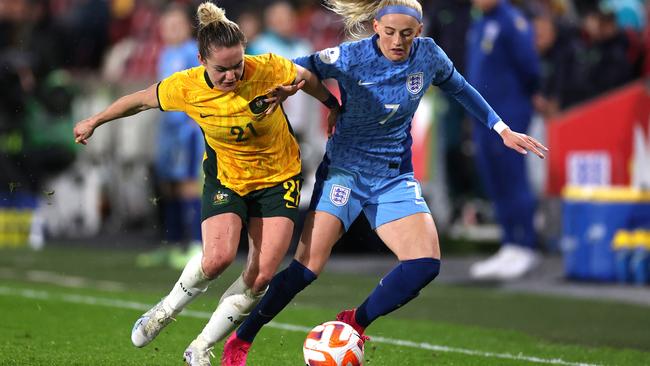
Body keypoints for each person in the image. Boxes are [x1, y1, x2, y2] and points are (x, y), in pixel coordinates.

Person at [220, 0, 548, 364]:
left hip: (393, 177)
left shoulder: (429, 56)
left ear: (418, 32)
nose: (397, 41)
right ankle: (241, 339)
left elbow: (461, 87)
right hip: (344, 173)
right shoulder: (349, 56)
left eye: (406, 34)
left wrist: (500, 128)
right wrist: (302, 93)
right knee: (306, 269)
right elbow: (300, 67)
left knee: (425, 264)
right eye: (389, 32)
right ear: (375, 26)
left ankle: (355, 322)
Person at [72, 2, 339, 365]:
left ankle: (200, 346)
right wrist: (95, 120)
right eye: (222, 69)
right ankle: (164, 311)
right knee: (217, 259)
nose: (232, 76)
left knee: (261, 276)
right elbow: (137, 101)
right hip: (227, 177)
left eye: (237, 65)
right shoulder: (186, 87)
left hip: (279, 177)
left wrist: (331, 104)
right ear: (201, 60)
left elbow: (304, 77)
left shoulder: (268, 68)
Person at [466, 0, 542, 280]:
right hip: (485, 117)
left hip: (510, 113)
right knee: (495, 180)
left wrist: (525, 98)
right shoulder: (480, 22)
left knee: (513, 177)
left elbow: (530, 68)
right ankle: (510, 243)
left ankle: (526, 245)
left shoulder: (512, 21)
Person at [136, 3, 204, 270]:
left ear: (187, 27)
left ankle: (196, 245)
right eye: (167, 24)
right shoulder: (165, 53)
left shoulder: (192, 52)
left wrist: (192, 121)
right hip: (167, 128)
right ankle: (173, 243)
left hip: (186, 128)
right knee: (168, 184)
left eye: (176, 24)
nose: (170, 29)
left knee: (187, 182)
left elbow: (199, 87)